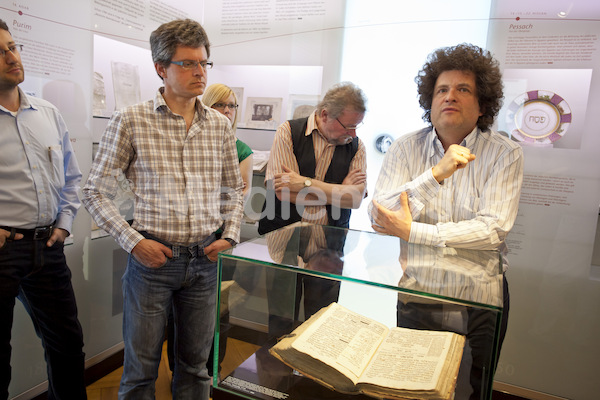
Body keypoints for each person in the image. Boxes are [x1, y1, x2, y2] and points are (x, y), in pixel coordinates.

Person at [82, 19, 244, 399]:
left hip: (204, 260)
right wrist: (134, 242)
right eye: (187, 64)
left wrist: (230, 233)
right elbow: (93, 192)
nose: (199, 72)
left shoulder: (219, 125)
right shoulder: (131, 120)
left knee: (195, 368)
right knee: (140, 372)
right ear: (161, 68)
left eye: (204, 63)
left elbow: (233, 188)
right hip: (153, 261)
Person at [369, 43, 523, 399]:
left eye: (462, 89)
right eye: (441, 89)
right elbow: (380, 214)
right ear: (429, 99)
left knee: (471, 390)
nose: (449, 96)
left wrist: (413, 231)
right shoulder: (405, 148)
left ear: (483, 104)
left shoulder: (505, 153)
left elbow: (492, 228)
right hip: (418, 294)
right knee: (413, 387)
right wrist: (435, 174)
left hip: (479, 301)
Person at [0, 19, 86, 400]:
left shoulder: (48, 113)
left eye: (12, 47)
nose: (10, 57)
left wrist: (64, 224)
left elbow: (71, 176)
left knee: (67, 345)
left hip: (48, 246)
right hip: (3, 250)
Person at [166, 82, 253, 376]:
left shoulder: (241, 149)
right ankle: (179, 373)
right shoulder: (190, 139)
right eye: (220, 105)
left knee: (219, 310)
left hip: (221, 239)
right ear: (207, 105)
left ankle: (211, 372)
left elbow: (237, 194)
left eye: (231, 106)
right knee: (178, 313)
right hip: (186, 238)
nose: (227, 111)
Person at [258, 81, 368, 235]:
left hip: (331, 246)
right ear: (325, 115)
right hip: (284, 239)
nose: (353, 134)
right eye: (349, 127)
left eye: (357, 126)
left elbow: (355, 200)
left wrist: (304, 183)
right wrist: (341, 193)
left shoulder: (357, 147)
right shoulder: (288, 132)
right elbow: (284, 192)